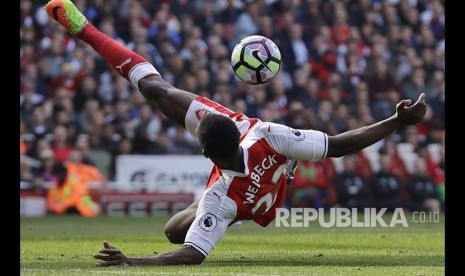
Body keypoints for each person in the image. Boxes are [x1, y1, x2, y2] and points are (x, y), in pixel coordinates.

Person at [45, 0, 427, 267]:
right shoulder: (265, 133)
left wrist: (132, 261)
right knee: (158, 96)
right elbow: (339, 145)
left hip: (242, 192)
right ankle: (84, 28)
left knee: (174, 230)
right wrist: (397, 121)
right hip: (258, 163)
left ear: (207, 155)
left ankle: (86, 30)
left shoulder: (220, 195)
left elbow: (193, 254)